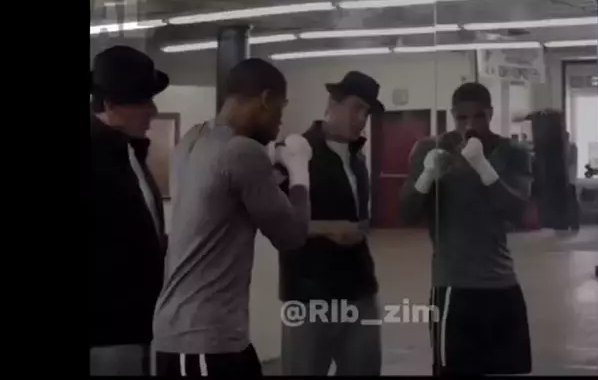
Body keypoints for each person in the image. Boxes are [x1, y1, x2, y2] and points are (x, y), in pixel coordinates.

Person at [152, 58, 312, 377]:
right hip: (203, 338)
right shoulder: (242, 152)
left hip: (188, 330)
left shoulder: (192, 140)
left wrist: (273, 168)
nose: (280, 120)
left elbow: (230, 191)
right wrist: (299, 170)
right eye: (280, 108)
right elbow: (292, 235)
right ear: (265, 99)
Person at [399, 82, 533, 376]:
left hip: (502, 283)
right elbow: (406, 213)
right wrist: (426, 177)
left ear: (491, 114)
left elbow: (517, 211)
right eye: (462, 118)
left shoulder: (512, 152)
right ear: (452, 115)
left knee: (505, 371)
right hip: (453, 286)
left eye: (479, 116)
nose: (470, 125)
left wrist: (484, 168)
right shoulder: (431, 149)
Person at [279, 71, 384, 376]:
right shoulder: (296, 152)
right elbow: (276, 222)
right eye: (356, 108)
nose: (361, 119)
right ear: (332, 104)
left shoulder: (357, 158)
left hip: (358, 288)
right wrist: (327, 228)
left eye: (367, 112)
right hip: (309, 293)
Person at [90, 45, 169, 376]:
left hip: (141, 322)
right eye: (142, 101)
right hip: (107, 331)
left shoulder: (129, 153)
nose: (153, 110)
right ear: (110, 105)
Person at [564, 132, 580, 232]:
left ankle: (574, 223)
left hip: (570, 179)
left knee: (571, 202)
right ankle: (569, 222)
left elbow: (570, 162)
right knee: (568, 202)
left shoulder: (572, 147)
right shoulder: (568, 148)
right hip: (567, 179)